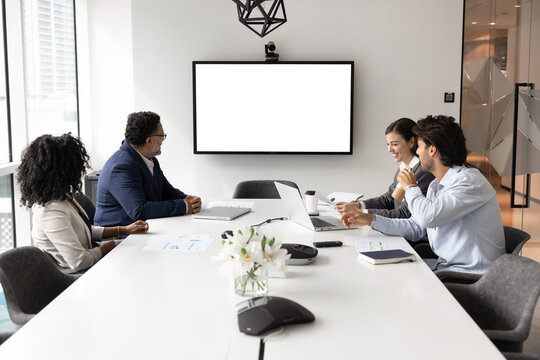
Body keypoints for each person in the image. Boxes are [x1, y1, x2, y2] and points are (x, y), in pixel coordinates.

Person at [341, 115, 505, 274]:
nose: (417, 152)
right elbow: (415, 226)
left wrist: (411, 187)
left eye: (419, 146)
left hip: (469, 275)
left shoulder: (469, 181)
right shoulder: (436, 185)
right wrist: (370, 219)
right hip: (446, 267)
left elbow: (428, 217)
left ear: (432, 149)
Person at [18, 134, 149, 273]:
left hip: (92, 263)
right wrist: (106, 248)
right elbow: (78, 261)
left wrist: (123, 230)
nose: (80, 171)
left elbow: (82, 230)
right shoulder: (50, 211)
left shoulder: (63, 195)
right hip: (77, 277)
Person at [94, 111, 201, 227]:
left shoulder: (149, 159)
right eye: (162, 135)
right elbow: (139, 211)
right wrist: (184, 206)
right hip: (119, 237)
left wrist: (189, 200)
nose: (163, 140)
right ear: (149, 141)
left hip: (144, 229)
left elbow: (166, 191)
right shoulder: (121, 167)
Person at [335, 118, 434, 218]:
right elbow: (389, 199)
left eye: (395, 144)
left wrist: (361, 213)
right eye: (388, 144)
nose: (390, 150)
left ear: (411, 141)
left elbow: (404, 214)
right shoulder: (403, 168)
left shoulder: (423, 172)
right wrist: (358, 205)